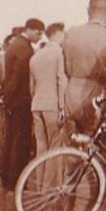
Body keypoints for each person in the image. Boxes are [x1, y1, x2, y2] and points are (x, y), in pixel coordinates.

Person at [63, 0, 106, 130]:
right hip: (94, 93)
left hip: (71, 90)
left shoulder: (71, 33)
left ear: (88, 10)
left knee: (70, 139)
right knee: (90, 139)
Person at [0, 19, 43, 189]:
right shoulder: (25, 50)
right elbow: (18, 79)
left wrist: (6, 99)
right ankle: (15, 180)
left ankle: (5, 175)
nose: (39, 37)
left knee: (9, 139)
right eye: (38, 33)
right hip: (21, 101)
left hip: (12, 101)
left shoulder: (14, 45)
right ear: (30, 30)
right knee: (21, 141)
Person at [29, 22, 69, 157]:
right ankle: (52, 178)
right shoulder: (58, 53)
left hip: (36, 104)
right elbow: (61, 80)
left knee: (40, 144)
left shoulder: (36, 56)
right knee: (55, 144)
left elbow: (32, 86)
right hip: (52, 105)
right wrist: (62, 107)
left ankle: (39, 175)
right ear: (57, 34)